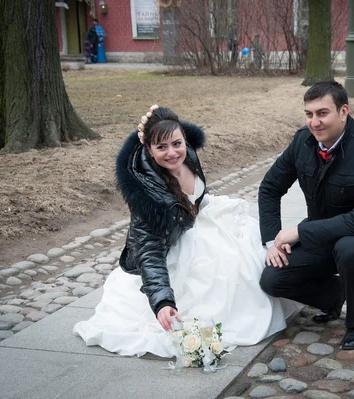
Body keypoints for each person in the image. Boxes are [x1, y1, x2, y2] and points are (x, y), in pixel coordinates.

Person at [73, 106, 298, 357]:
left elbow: (197, 193)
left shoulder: (187, 152)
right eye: (161, 147)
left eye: (176, 143)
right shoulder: (148, 197)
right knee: (216, 273)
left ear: (184, 140)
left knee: (249, 254)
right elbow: (149, 250)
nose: (172, 153)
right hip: (177, 240)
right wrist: (163, 303)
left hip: (203, 220)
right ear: (148, 149)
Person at [258, 81, 354, 350]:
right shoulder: (302, 142)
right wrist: (270, 242)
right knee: (272, 279)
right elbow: (269, 188)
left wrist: (299, 232)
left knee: (349, 248)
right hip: (322, 232)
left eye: (322, 113)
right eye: (309, 114)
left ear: (344, 111)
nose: (315, 122)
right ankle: (335, 295)